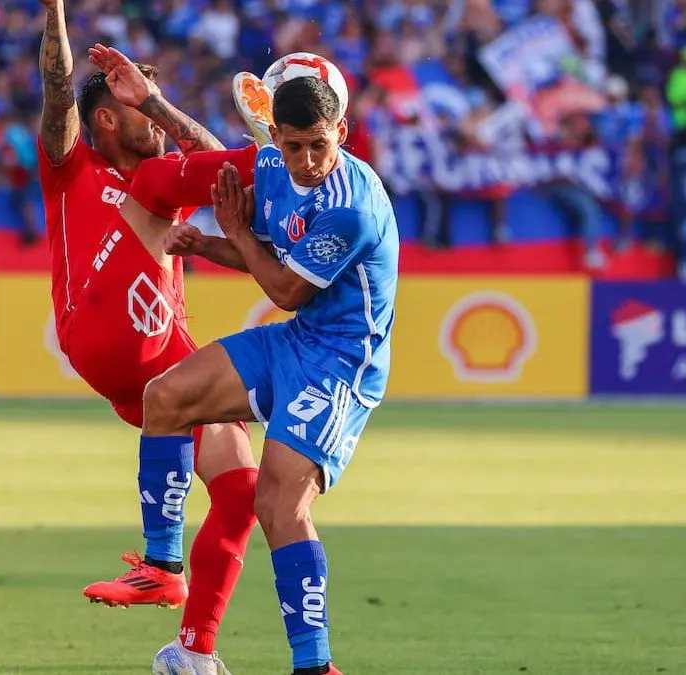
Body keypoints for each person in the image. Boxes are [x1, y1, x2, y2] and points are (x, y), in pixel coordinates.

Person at [132, 73, 400, 675]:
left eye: (319, 146)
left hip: (341, 361)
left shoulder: (352, 208)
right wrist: (209, 245)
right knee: (166, 397)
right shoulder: (273, 168)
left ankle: (315, 667)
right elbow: (268, 254)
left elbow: (284, 288)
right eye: (294, 145)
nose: (306, 161)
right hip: (296, 344)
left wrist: (230, 234)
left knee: (278, 503)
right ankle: (162, 567)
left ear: (343, 134)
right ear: (275, 136)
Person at [36, 1, 259, 671]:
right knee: (167, 182)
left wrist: (155, 103)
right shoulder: (73, 166)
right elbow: (55, 92)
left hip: (165, 355)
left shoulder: (162, 182)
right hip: (99, 330)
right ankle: (162, 560)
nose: (152, 120)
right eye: (135, 106)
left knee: (242, 491)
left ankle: (193, 649)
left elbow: (221, 167)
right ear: (105, 117)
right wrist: (55, 11)